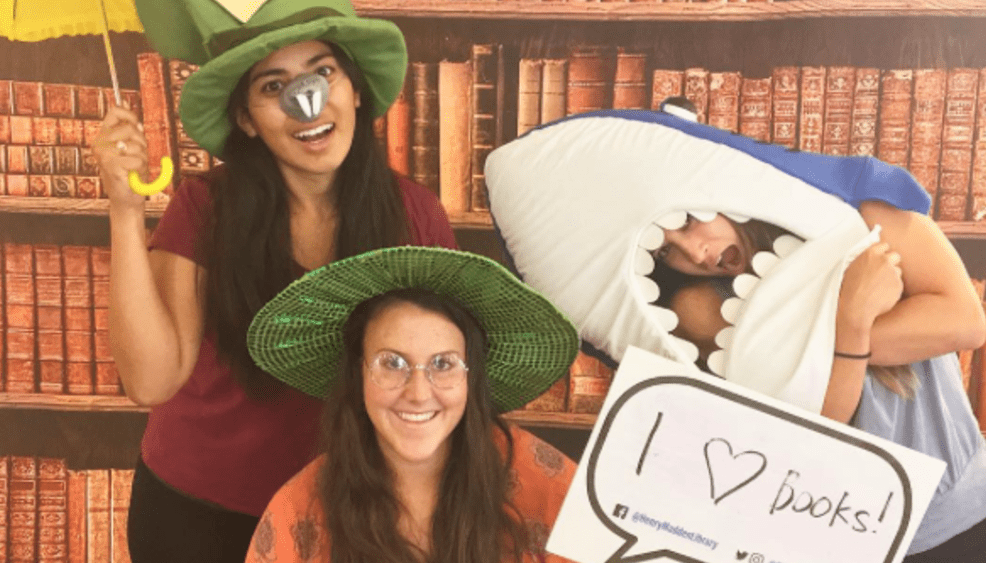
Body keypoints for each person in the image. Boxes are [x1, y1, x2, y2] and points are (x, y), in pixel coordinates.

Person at [93, 1, 457, 561]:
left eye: (323, 72)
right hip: (196, 512)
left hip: (350, 510)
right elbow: (151, 381)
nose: (305, 100)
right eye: (272, 86)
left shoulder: (416, 217)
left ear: (356, 89)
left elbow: (441, 378)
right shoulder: (204, 209)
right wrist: (122, 208)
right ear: (246, 120)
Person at [659, 214, 986, 561]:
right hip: (845, 532)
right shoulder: (702, 306)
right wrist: (853, 317)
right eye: (666, 250)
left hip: (970, 507)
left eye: (688, 222)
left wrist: (828, 344)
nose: (695, 254)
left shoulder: (870, 213)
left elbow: (967, 327)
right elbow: (814, 428)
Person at [243, 246, 581, 563]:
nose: (418, 393)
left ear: (471, 377)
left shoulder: (547, 483)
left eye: (443, 364)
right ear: (357, 375)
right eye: (392, 364)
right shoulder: (298, 511)